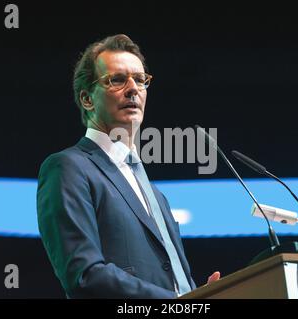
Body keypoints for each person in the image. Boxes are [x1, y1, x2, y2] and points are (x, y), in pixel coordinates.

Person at [37, 34, 220, 298]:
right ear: (87, 99)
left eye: (140, 79)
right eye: (118, 80)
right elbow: (85, 276)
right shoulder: (68, 168)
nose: (133, 88)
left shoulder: (156, 195)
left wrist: (199, 295)